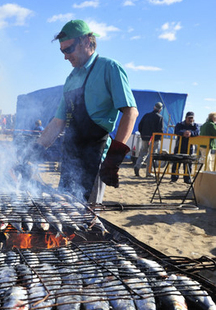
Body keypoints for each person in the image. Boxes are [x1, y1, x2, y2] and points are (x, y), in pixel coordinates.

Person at [25, 19, 138, 201]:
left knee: (86, 220)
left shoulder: (109, 68)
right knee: (64, 212)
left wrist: (115, 155)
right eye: (62, 51)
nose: (65, 56)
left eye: (68, 49)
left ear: (86, 41)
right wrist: (34, 151)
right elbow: (58, 122)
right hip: (70, 158)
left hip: (95, 157)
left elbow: (130, 112)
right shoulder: (71, 79)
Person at [134, 102, 164, 177]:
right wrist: (158, 138)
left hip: (144, 137)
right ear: (160, 110)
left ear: (154, 107)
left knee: (143, 153)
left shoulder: (146, 115)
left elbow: (140, 125)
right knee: (152, 155)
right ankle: (149, 172)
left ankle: (137, 166)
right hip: (154, 139)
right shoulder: (159, 117)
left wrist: (142, 134)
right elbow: (160, 130)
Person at [171, 111, 199, 184]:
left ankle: (187, 178)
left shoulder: (195, 125)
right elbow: (176, 131)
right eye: (189, 118)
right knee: (176, 162)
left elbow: (197, 132)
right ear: (186, 118)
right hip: (179, 146)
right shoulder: (179, 124)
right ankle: (174, 177)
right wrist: (183, 133)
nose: (190, 120)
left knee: (188, 163)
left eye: (192, 118)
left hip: (190, 147)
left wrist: (190, 133)